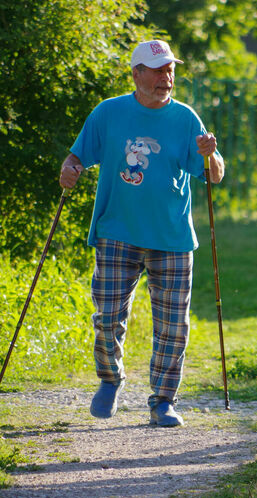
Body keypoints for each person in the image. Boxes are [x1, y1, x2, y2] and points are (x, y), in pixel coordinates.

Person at [59, 40, 225, 427]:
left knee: (172, 325)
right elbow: (77, 156)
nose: (166, 77)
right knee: (107, 317)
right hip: (117, 230)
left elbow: (213, 176)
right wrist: (69, 169)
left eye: (170, 69)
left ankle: (163, 401)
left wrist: (210, 154)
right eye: (157, 69)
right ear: (136, 74)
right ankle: (109, 380)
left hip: (172, 236)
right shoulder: (109, 113)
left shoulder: (186, 119)